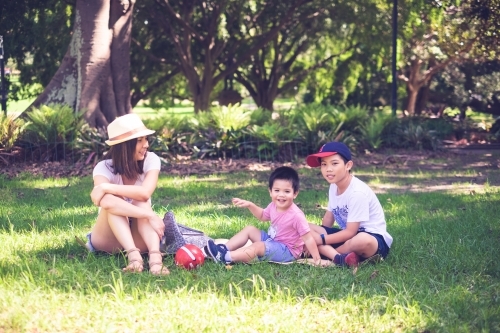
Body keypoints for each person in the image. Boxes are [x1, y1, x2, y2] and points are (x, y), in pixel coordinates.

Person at [87, 113, 169, 275]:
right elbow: (106, 203)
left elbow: (144, 193)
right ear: (124, 145)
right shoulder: (104, 167)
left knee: (140, 200)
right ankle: (134, 257)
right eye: (139, 141)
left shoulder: (151, 160)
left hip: (141, 235)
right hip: (108, 239)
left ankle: (155, 258)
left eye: (146, 139)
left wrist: (106, 188)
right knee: (114, 201)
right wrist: (149, 215)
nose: (146, 145)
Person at [206, 166, 321, 266]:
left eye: (286, 191)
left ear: (295, 193)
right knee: (250, 229)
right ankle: (222, 249)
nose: (281, 195)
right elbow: (262, 216)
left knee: (259, 246)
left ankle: (226, 257)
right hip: (273, 241)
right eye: (277, 190)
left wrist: (317, 259)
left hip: (287, 251)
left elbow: (308, 238)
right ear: (270, 192)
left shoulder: (296, 215)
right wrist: (250, 205)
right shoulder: (273, 205)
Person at [305, 141, 393, 267]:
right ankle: (343, 257)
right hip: (346, 236)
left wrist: (320, 240)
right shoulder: (333, 186)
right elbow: (329, 217)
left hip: (373, 240)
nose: (328, 169)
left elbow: (351, 232)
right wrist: (320, 234)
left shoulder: (357, 192)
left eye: (334, 163)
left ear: (348, 165)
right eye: (324, 164)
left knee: (362, 240)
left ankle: (331, 257)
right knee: (304, 227)